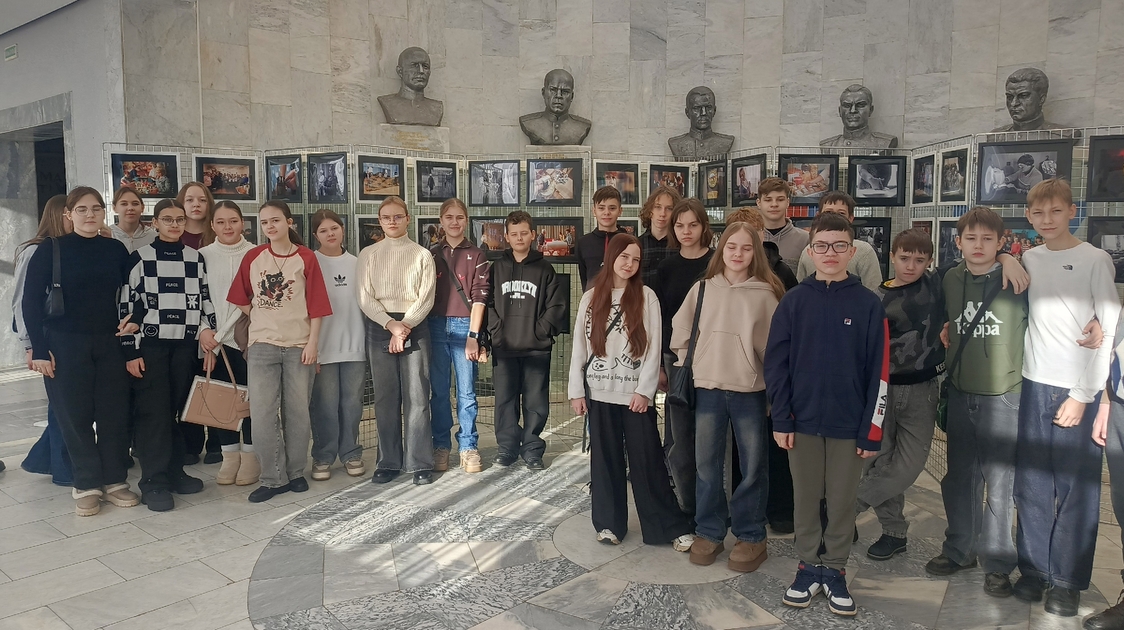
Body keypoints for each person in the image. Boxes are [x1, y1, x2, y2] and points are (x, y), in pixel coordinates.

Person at [764, 212, 888, 617]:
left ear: (852, 251)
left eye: (839, 246)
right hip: (801, 422)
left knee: (841, 500)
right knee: (804, 498)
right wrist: (781, 418)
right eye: (821, 245)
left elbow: (879, 372)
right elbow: (776, 365)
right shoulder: (794, 301)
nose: (830, 252)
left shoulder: (868, 305)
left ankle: (834, 569)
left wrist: (872, 429)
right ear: (810, 251)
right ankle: (807, 567)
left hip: (849, 426)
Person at [1012, 179, 1121, 617]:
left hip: (1078, 388)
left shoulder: (1095, 259)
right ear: (1028, 216)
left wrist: (1083, 394)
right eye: (1039, 213)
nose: (1047, 220)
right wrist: (1005, 256)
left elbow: (1108, 328)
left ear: (1072, 211)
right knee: (1032, 484)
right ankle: (1034, 570)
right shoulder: (1030, 257)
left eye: (1056, 211)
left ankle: (1068, 580)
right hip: (1033, 382)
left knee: (1077, 488)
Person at [917, 209, 1033, 594]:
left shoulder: (1017, 278)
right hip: (962, 390)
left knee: (1000, 481)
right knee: (960, 476)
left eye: (988, 239)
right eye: (971, 238)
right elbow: (945, 319)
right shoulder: (950, 278)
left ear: (1001, 242)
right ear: (958, 242)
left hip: (1005, 394)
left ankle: (997, 562)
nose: (978, 245)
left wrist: (1009, 259)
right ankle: (960, 548)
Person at [568, 233, 695, 551]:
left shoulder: (646, 296)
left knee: (647, 461)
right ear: (612, 257)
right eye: (624, 256)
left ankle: (666, 526)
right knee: (605, 461)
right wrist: (576, 391)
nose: (630, 264)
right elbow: (580, 347)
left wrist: (645, 391)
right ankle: (608, 524)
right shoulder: (591, 297)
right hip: (599, 392)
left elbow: (653, 348)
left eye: (636, 259)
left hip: (634, 395)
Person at [672, 222, 785, 571]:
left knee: (752, 466)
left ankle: (751, 535)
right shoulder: (703, 288)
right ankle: (709, 531)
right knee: (706, 465)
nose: (738, 254)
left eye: (746, 248)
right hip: (707, 388)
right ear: (721, 250)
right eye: (732, 247)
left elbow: (775, 350)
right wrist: (693, 363)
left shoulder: (766, 294)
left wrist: (774, 392)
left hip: (750, 392)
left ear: (756, 253)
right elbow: (682, 332)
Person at [22, 186, 140, 516]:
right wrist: (39, 349)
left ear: (104, 213)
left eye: (96, 209)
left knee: (114, 413)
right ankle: (86, 484)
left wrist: (137, 319)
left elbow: (137, 290)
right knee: (74, 416)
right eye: (82, 209)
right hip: (64, 343)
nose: (90, 215)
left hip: (110, 342)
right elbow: (30, 301)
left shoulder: (115, 249)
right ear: (68, 214)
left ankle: (115, 480)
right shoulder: (50, 249)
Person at [228, 201, 332, 502]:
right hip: (262, 345)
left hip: (299, 345)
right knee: (262, 414)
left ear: (289, 222)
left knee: (297, 413)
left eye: (275, 220)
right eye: (264, 222)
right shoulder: (253, 257)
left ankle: (296, 472)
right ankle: (273, 478)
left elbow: (317, 306)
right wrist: (260, 315)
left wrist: (313, 344)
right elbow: (239, 297)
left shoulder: (306, 257)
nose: (270, 227)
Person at [121, 199, 215, 511]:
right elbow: (126, 307)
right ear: (155, 223)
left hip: (185, 347)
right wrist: (130, 351)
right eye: (167, 219)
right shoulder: (140, 258)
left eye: (179, 219)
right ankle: (153, 481)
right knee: (154, 414)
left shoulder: (195, 258)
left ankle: (174, 472)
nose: (174, 225)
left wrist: (208, 339)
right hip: (151, 346)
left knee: (175, 411)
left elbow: (204, 301)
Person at [725, 206, 798, 533]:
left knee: (776, 444)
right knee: (739, 448)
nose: (744, 245)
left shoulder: (780, 273)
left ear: (761, 235)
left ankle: (780, 508)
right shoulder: (720, 277)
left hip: (772, 374)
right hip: (735, 377)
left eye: (752, 235)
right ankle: (741, 507)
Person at [356, 197, 437, 485]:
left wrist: (404, 327)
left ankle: (419, 462)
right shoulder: (368, 254)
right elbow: (364, 297)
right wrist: (391, 325)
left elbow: (426, 297)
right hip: (381, 325)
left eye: (397, 216)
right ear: (379, 221)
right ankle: (388, 461)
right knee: (385, 398)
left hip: (415, 325)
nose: (392, 221)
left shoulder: (422, 255)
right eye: (386, 217)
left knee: (418, 396)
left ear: (407, 219)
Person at [488, 211, 568, 468]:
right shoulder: (496, 268)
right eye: (514, 234)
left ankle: (532, 449)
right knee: (505, 400)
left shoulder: (545, 269)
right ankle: (507, 448)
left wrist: (540, 331)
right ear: (507, 237)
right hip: (504, 346)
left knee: (535, 401)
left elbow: (557, 306)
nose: (519, 238)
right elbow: (485, 303)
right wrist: (497, 330)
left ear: (533, 235)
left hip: (536, 348)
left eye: (524, 233)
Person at [655, 199, 715, 520]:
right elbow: (660, 318)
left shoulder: (717, 263)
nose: (686, 231)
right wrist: (660, 364)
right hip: (675, 358)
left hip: (713, 357)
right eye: (680, 225)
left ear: (703, 226)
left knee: (711, 433)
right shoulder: (667, 267)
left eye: (693, 225)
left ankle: (712, 504)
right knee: (679, 434)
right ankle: (687, 504)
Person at [13, 195, 74, 486]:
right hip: (47, 337)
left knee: (63, 404)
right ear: (60, 215)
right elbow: (22, 301)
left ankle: (42, 459)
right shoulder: (35, 251)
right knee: (62, 405)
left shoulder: (70, 248)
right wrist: (31, 345)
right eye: (72, 213)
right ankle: (62, 468)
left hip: (70, 336)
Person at [427, 198, 490, 474]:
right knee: (439, 392)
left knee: (466, 392)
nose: (454, 222)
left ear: (466, 220)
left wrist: (473, 335)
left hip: (465, 326)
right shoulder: (430, 254)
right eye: (449, 217)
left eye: (460, 217)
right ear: (441, 221)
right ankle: (441, 445)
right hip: (435, 327)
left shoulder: (477, 254)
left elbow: (480, 298)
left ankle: (468, 446)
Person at [199, 201, 259, 486]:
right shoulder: (202, 256)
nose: (227, 227)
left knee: (251, 401)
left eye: (233, 221)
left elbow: (249, 300)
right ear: (212, 225)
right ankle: (229, 457)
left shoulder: (256, 253)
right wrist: (204, 333)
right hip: (211, 341)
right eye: (221, 222)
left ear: (242, 223)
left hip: (247, 339)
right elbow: (196, 298)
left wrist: (220, 335)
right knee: (221, 400)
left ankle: (251, 457)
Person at [307, 209, 367, 482]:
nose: (330, 234)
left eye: (334, 228)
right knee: (325, 405)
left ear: (343, 229)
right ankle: (323, 456)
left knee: (352, 404)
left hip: (355, 345)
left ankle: (351, 453)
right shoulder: (310, 263)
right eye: (323, 230)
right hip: (322, 348)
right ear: (315, 235)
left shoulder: (358, 263)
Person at [176, 181, 221, 464]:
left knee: (215, 382)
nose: (196, 205)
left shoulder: (217, 236)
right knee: (186, 384)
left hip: (217, 323)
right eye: (190, 200)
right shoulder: (173, 237)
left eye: (202, 200)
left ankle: (217, 442)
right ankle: (190, 444)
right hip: (182, 324)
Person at [794, 192, 882, 291]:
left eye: (841, 213)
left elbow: (874, 289)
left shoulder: (864, 251)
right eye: (828, 212)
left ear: (851, 218)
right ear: (818, 215)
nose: (834, 217)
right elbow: (801, 286)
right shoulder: (807, 251)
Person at [576, 186, 623, 290]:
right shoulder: (583, 243)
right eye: (601, 208)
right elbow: (584, 278)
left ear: (620, 211)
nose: (606, 212)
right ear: (594, 211)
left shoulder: (629, 241)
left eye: (612, 208)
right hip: (593, 298)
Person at [757, 178, 808, 272]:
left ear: (787, 202)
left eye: (780, 199)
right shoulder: (750, 238)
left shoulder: (805, 240)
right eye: (768, 200)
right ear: (759, 203)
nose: (774, 204)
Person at [638, 185, 682, 288]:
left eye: (669, 209)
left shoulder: (681, 245)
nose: (662, 214)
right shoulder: (637, 244)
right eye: (658, 207)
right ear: (650, 210)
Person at [109, 187, 156, 253]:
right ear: (114, 208)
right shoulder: (108, 235)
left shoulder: (153, 237)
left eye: (135, 204)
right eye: (124, 204)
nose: (130, 208)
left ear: (142, 208)